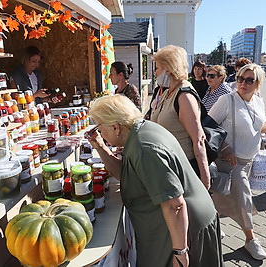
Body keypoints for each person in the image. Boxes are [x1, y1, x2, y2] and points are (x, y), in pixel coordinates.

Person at [86, 94, 224, 267]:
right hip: (179, 225)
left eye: (100, 128)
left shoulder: (144, 148)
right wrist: (100, 146)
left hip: (185, 230)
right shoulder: (138, 132)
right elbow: (127, 174)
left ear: (115, 127)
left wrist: (180, 252)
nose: (100, 133)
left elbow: (175, 204)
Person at [208, 63, 266, 260]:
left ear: (258, 83)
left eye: (249, 80)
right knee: (243, 198)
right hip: (230, 161)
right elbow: (208, 127)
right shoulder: (227, 100)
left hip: (249, 161)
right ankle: (251, 239)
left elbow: (260, 128)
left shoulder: (258, 101)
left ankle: (212, 225)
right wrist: (225, 148)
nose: (243, 83)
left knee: (222, 196)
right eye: (240, 78)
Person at [150, 45, 211, 189]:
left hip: (184, 168)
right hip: (169, 166)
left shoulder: (184, 96)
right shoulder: (168, 92)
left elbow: (199, 140)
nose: (155, 73)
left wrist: (205, 180)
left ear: (168, 70)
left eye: (157, 68)